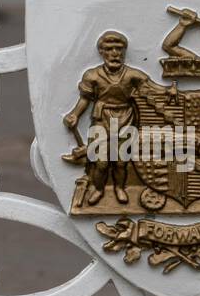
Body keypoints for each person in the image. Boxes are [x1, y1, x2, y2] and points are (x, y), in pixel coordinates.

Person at [63, 31, 152, 206]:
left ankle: (119, 188)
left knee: (120, 162)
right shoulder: (92, 75)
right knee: (101, 162)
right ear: (102, 52)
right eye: (109, 49)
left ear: (124, 52)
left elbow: (153, 90)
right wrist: (75, 114)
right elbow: (85, 99)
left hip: (125, 118)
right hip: (102, 119)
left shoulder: (133, 75)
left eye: (118, 49)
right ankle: (98, 189)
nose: (114, 53)